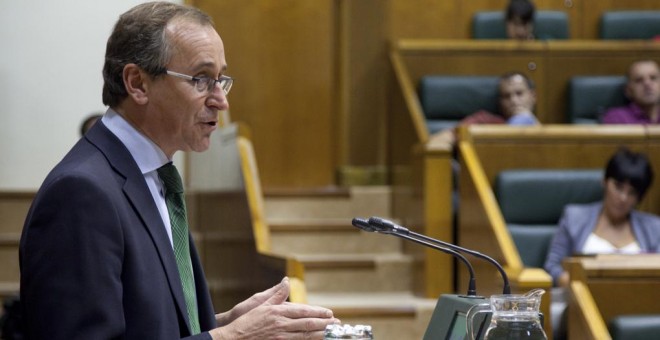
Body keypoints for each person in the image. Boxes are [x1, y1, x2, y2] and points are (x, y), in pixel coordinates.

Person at [19, 2, 339, 339]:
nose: (221, 100)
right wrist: (233, 337)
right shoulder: (81, 193)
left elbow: (144, 324)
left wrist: (221, 322)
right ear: (137, 83)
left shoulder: (156, 177)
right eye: (201, 80)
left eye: (221, 80)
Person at [544, 147, 660, 288]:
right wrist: (577, 289)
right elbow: (552, 267)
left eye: (632, 193)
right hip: (581, 301)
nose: (623, 198)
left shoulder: (654, 228)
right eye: (618, 187)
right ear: (604, 182)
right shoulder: (574, 217)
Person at [429, 71, 539, 146]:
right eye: (506, 96)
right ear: (499, 101)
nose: (514, 100)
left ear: (533, 96)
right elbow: (444, 138)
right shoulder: (484, 120)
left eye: (519, 93)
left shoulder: (543, 128)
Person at [601, 60, 660, 124]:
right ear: (628, 90)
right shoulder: (616, 117)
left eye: (653, 78)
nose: (647, 84)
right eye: (639, 80)